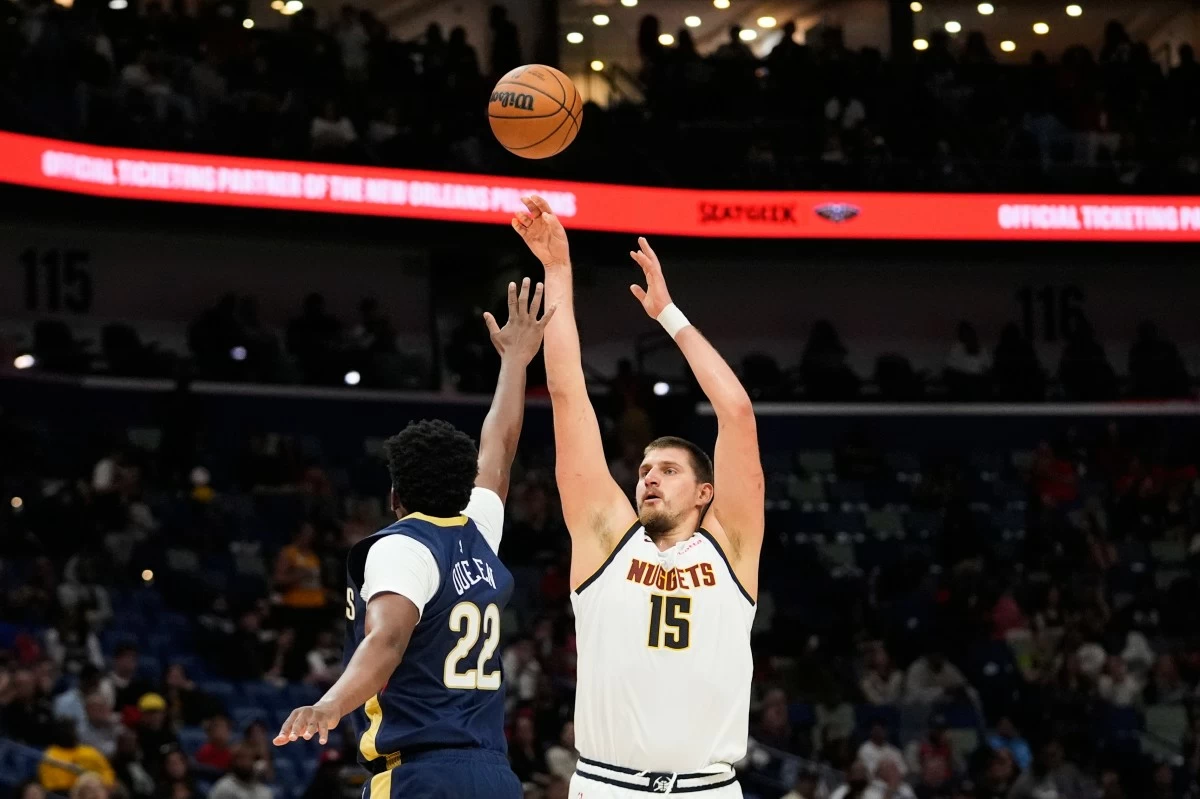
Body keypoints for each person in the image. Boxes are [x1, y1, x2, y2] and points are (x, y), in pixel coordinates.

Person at [512, 195, 763, 798]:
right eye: (645, 469)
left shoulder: (731, 547)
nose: (648, 477)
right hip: (608, 785)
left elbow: (736, 411)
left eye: (669, 470)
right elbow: (568, 395)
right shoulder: (607, 541)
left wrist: (667, 314)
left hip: (708, 789)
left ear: (705, 493)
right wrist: (558, 271)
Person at [274, 278, 554, 799]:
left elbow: (388, 639)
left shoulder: (402, 548)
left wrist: (330, 704)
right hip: (494, 776)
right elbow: (500, 446)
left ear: (394, 494)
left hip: (422, 776)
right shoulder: (479, 528)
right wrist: (515, 362)